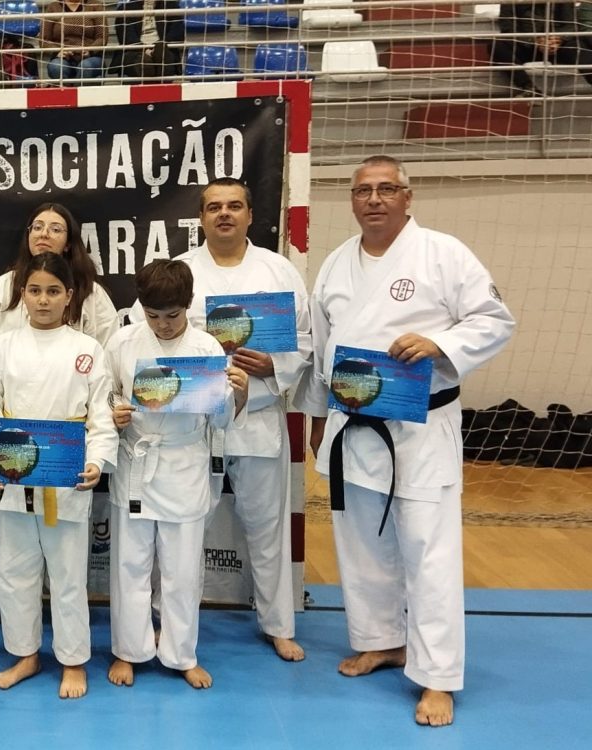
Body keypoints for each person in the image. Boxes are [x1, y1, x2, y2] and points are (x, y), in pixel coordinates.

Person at [297, 155, 516, 726]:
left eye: (386, 189)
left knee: (428, 552)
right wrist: (317, 417)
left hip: (419, 428)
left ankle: (437, 676)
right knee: (362, 545)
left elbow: (495, 320)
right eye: (363, 191)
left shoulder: (444, 254)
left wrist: (441, 344)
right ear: (352, 200)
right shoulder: (337, 264)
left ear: (407, 197)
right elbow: (321, 350)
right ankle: (383, 641)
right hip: (351, 423)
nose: (374, 199)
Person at [130, 177, 313, 661]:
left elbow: (307, 339)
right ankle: (163, 620)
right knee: (177, 530)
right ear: (201, 217)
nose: (224, 214)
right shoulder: (181, 271)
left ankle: (278, 623)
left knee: (268, 525)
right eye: (214, 207)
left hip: (258, 414)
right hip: (190, 426)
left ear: (251, 214)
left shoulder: (279, 270)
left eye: (234, 206)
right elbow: (143, 334)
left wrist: (275, 365)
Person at [0, 202, 119, 630]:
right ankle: (21, 648)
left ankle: (72, 655)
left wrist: (97, 459)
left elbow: (101, 403)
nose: (42, 299)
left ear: (68, 295)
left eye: (55, 228)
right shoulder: (5, 333)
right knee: (13, 569)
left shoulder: (87, 338)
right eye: (34, 291)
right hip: (11, 461)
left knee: (68, 574)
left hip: (66, 467)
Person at [106, 260, 249, 688]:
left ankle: (181, 654)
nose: (163, 325)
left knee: (182, 570)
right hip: (137, 460)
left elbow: (220, 420)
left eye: (172, 315)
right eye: (153, 315)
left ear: (188, 305)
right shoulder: (122, 342)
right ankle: (128, 650)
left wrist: (238, 394)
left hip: (185, 463)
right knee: (130, 564)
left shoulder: (206, 348)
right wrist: (114, 413)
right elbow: (105, 396)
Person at [491, 2, 592, 95]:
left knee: (579, 47)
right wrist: (536, 41)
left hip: (558, 44)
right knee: (497, 45)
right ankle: (529, 88)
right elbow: (508, 29)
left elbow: (572, 25)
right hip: (526, 45)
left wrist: (558, 38)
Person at [40, 0, 106, 82]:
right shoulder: (53, 7)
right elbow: (44, 40)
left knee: (86, 66)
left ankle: (75, 89)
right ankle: (69, 89)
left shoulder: (95, 5)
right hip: (63, 58)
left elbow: (102, 37)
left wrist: (90, 50)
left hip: (91, 57)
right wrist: (58, 51)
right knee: (56, 67)